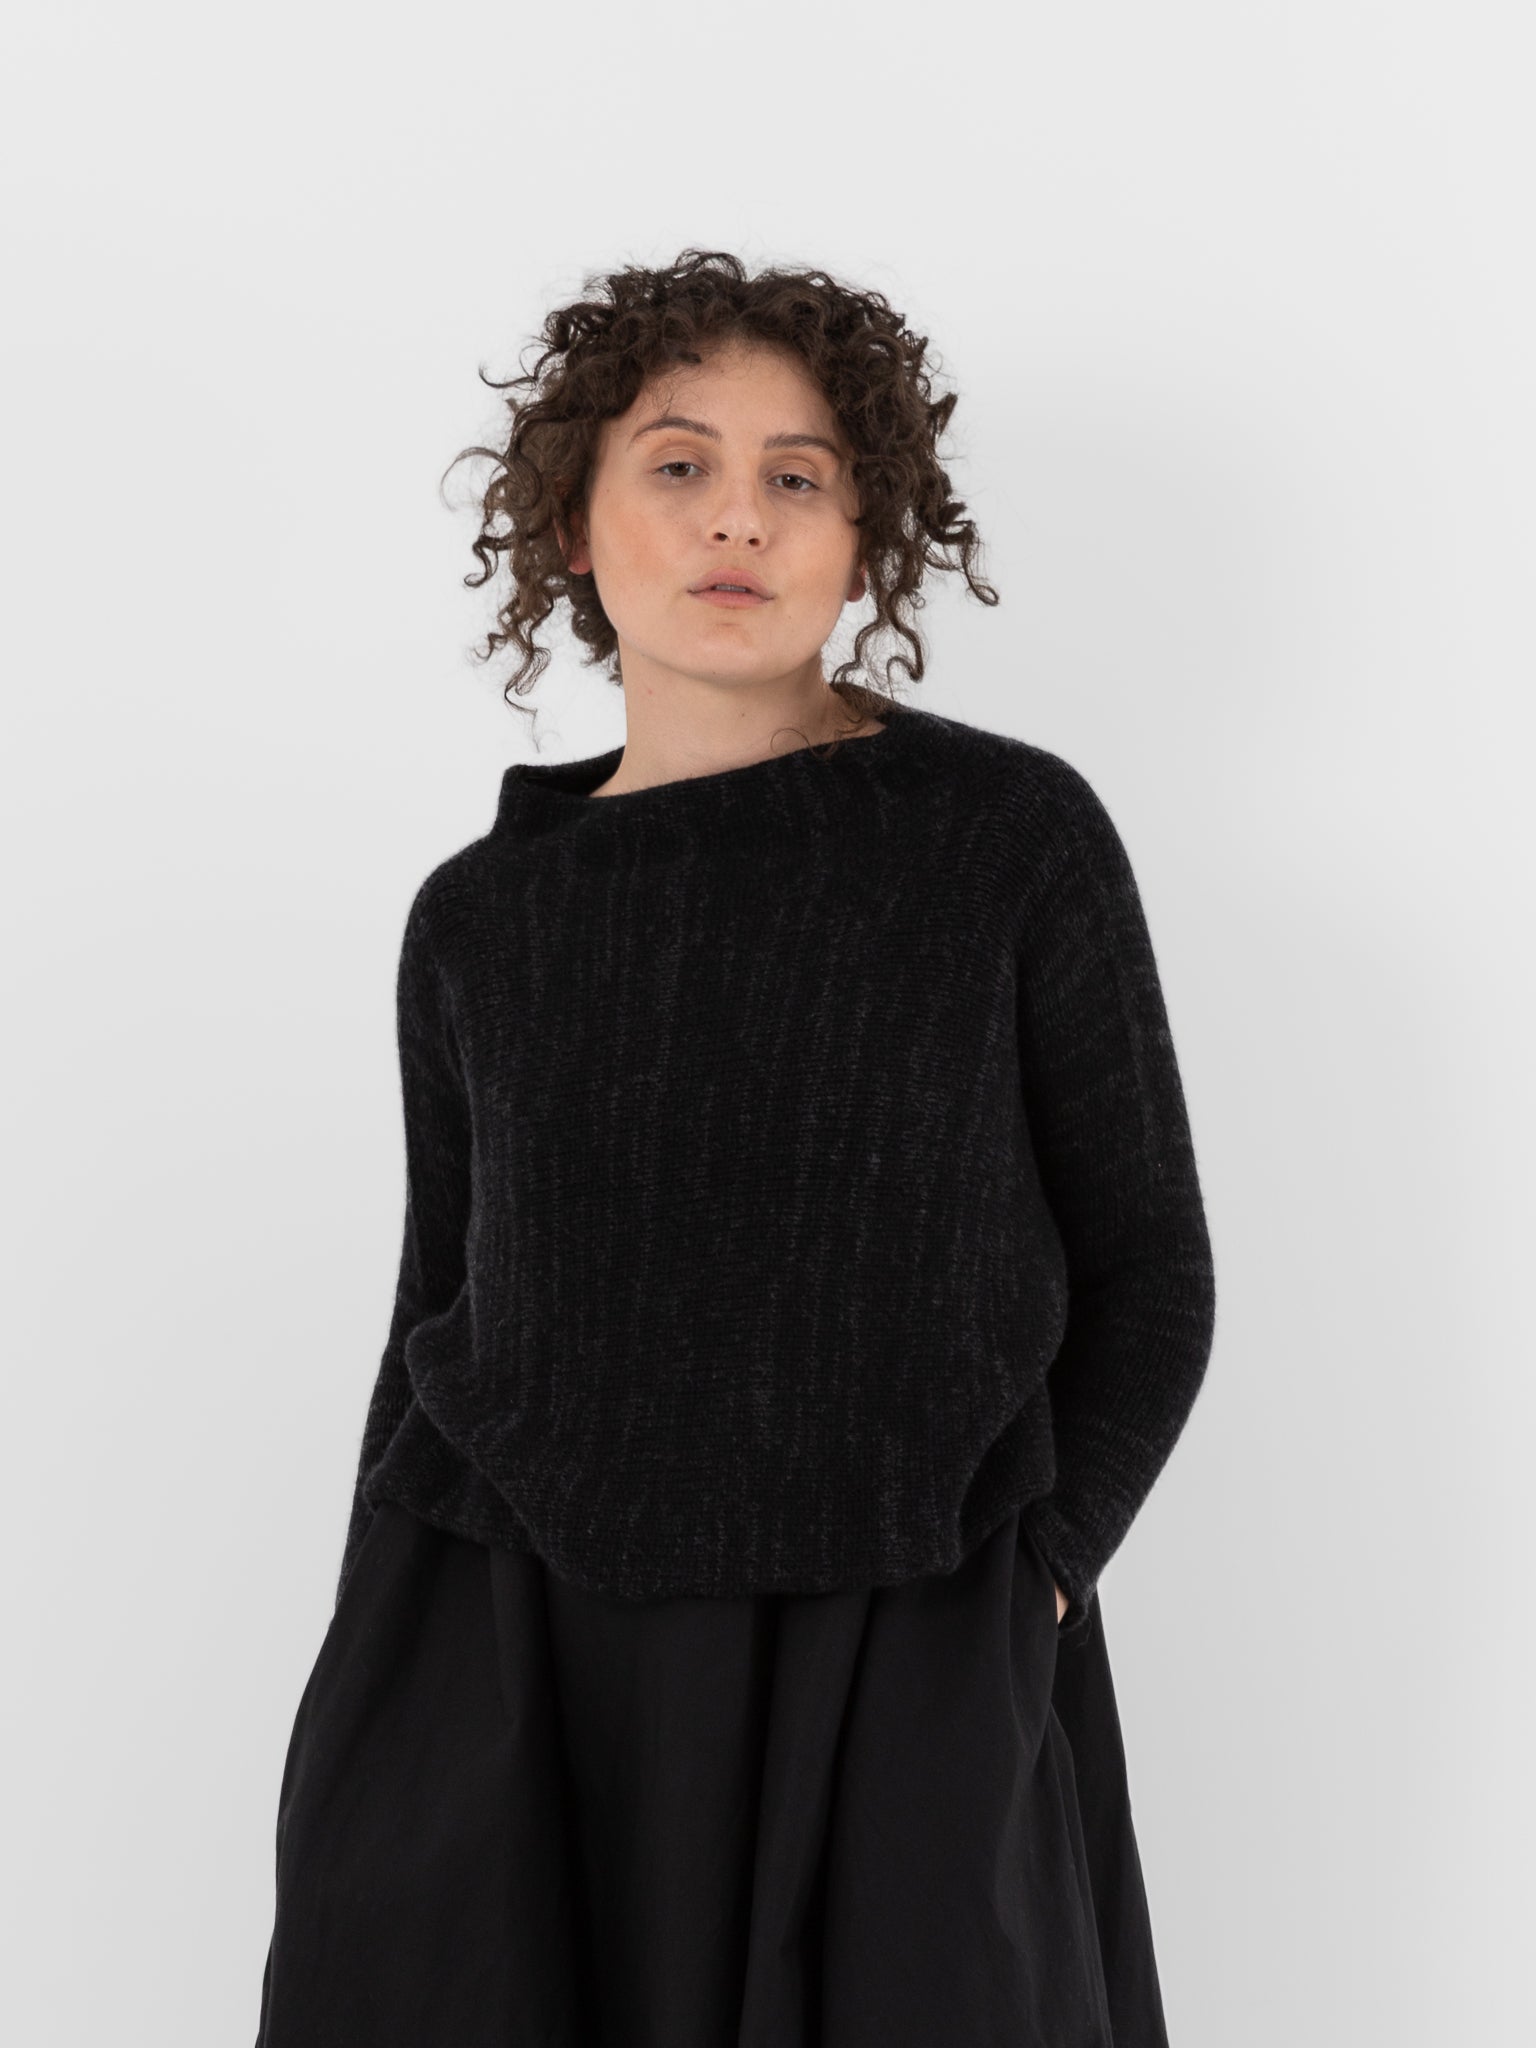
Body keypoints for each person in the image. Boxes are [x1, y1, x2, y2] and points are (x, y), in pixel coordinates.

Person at [253, 248, 1216, 2048]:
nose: (739, 520)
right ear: (572, 524)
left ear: (866, 535)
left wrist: (1035, 1578)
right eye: (680, 464)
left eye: (799, 477)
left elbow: (1151, 1270)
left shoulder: (1008, 836)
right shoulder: (479, 920)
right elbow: (434, 1310)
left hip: (906, 1637)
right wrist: (377, 1656)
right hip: (516, 1657)